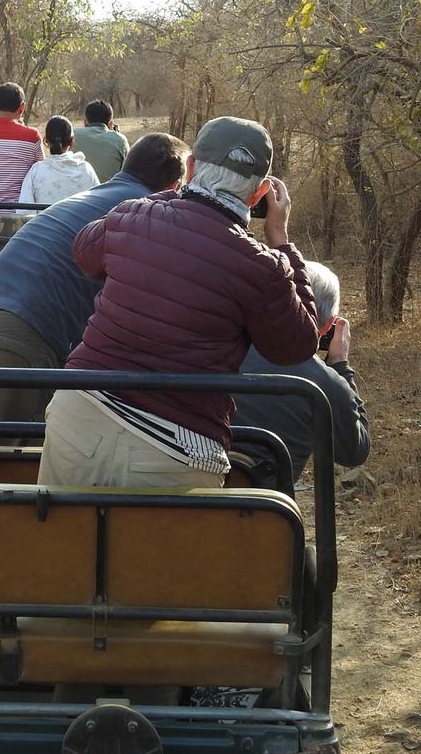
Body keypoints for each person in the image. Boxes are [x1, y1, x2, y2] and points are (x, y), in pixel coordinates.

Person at [38, 117, 321, 489]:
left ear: (189, 169)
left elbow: (85, 250)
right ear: (259, 195)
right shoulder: (263, 267)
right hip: (178, 449)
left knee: (58, 544)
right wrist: (281, 240)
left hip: (81, 414)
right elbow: (299, 344)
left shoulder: (133, 215)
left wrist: (174, 199)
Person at [0, 133, 188, 425]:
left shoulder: (84, 200)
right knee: (16, 462)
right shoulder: (144, 214)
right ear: (175, 186)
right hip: (19, 338)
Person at [234, 261, 370, 479]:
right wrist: (340, 365)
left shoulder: (218, 350)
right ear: (328, 326)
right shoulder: (325, 383)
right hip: (268, 509)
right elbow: (355, 451)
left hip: (187, 501)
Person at [18, 116, 100, 205]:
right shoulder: (86, 169)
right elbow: (99, 203)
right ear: (72, 141)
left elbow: (25, 211)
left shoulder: (36, 171)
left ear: (46, 141)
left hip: (44, 219)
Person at [74, 99, 130, 181]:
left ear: (85, 121)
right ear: (111, 124)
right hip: (110, 192)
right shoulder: (120, 140)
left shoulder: (73, 136)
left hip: (78, 192)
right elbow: (128, 173)